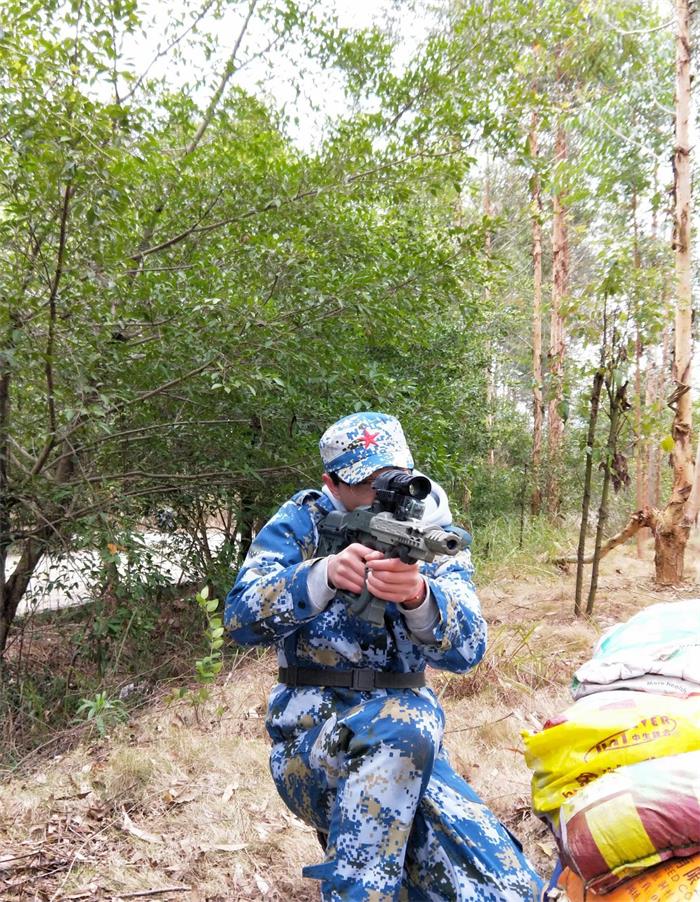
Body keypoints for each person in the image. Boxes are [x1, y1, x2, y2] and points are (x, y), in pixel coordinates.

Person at [225, 412, 543, 901]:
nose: (383, 493)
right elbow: (239, 619)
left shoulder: (433, 533)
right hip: (311, 748)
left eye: (393, 478)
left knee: (506, 885)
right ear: (331, 483)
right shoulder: (304, 520)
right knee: (403, 724)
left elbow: (470, 651)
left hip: (412, 754)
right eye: (366, 483)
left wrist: (421, 600)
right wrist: (321, 576)